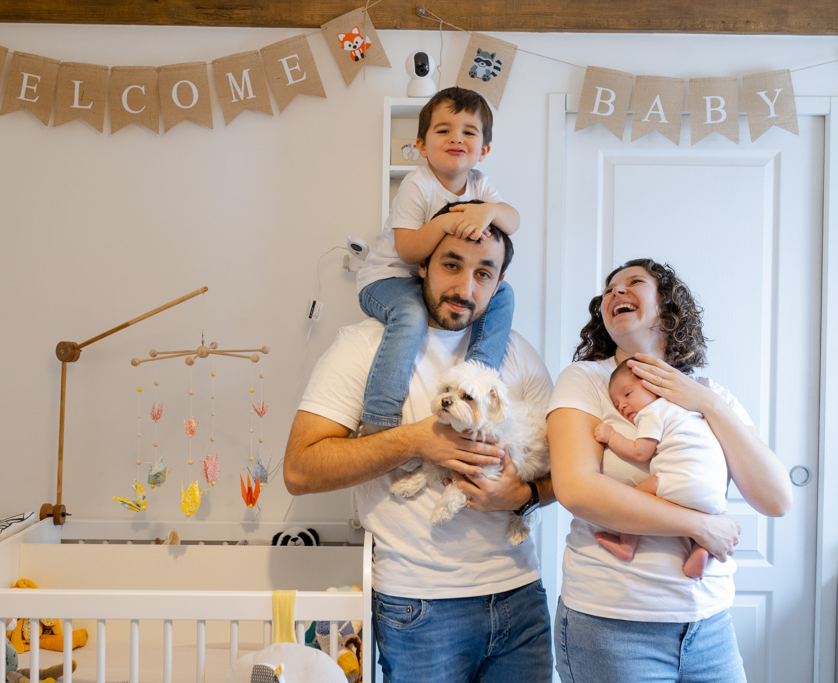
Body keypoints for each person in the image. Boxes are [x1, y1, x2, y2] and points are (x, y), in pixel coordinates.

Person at [285, 217, 554, 682]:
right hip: (419, 606)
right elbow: (300, 470)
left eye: (483, 273)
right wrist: (417, 440)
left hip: (520, 596)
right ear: (422, 266)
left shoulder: (520, 354)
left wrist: (524, 496)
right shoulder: (362, 347)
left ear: (499, 283)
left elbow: (564, 471)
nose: (465, 287)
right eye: (451, 264)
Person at [547, 258, 792, 683]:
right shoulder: (585, 380)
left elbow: (776, 500)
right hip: (613, 625)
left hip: (710, 623)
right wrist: (702, 526)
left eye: (633, 282)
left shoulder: (712, 395)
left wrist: (706, 403)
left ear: (668, 305)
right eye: (609, 289)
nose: (615, 292)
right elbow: (577, 489)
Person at [356, 86, 520, 430]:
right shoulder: (418, 184)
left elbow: (514, 221)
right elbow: (408, 251)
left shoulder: (480, 185)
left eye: (469, 132)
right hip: (387, 279)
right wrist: (443, 223)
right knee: (411, 315)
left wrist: (490, 212)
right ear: (421, 145)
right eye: (443, 130)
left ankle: (475, 378)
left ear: (484, 150)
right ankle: (380, 416)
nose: (456, 138)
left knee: (504, 294)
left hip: (428, 278)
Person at [592, 360, 730, 580]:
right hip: (715, 496)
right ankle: (701, 549)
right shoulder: (687, 409)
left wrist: (612, 436)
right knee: (698, 511)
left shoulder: (653, 410)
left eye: (628, 394)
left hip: (683, 481)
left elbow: (640, 452)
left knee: (636, 497)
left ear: (654, 386)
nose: (622, 406)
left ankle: (627, 544)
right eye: (616, 404)